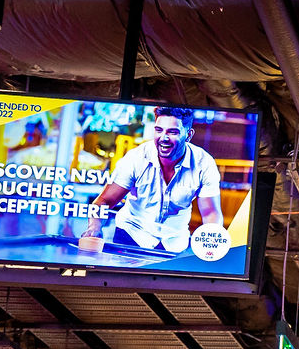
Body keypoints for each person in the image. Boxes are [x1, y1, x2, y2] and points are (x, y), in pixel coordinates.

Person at [79, 108, 226, 256]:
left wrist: (211, 248)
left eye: (172, 132)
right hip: (131, 235)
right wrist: (94, 227)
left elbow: (210, 214)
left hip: (174, 244)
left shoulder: (204, 163)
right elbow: (103, 201)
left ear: (188, 135)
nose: (163, 137)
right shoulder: (136, 158)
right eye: (158, 130)